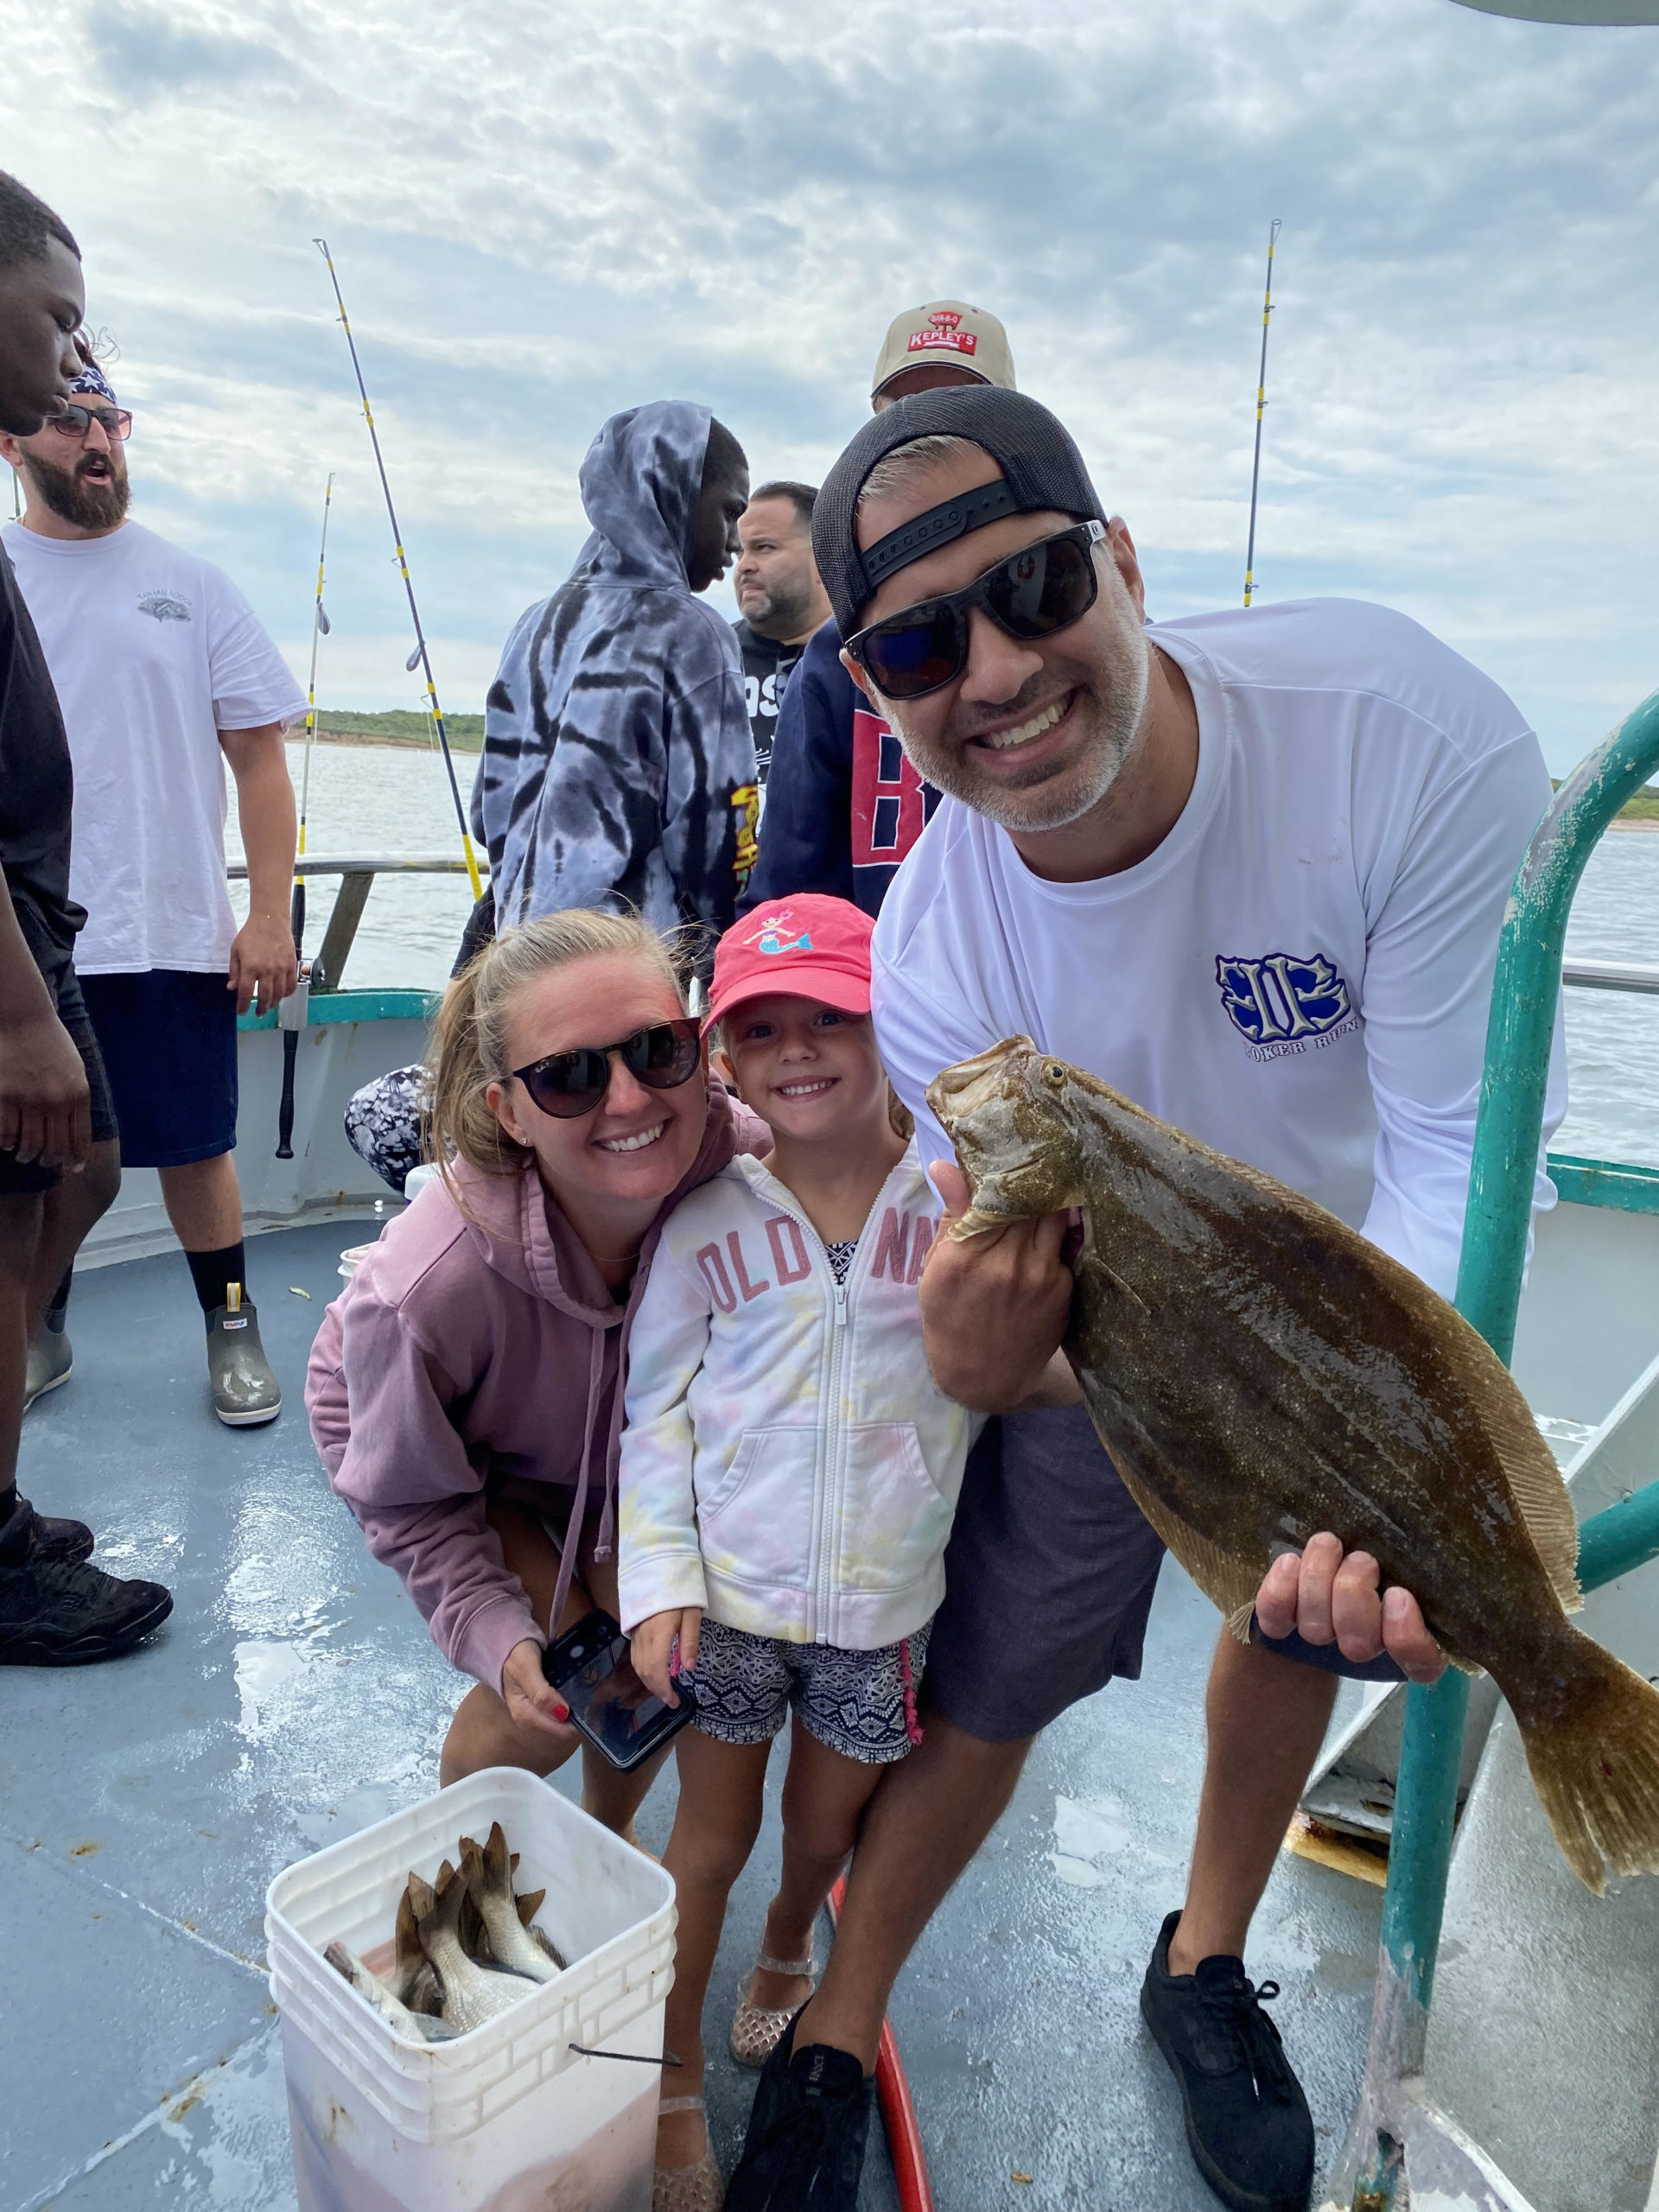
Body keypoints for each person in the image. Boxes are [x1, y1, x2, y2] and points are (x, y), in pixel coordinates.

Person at [722, 386, 1565, 2212]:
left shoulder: (1393, 734)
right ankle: (837, 2024)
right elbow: (981, 1267)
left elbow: (1454, 1154)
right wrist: (973, 1354)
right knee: (1000, 1664)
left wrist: (1391, 1488)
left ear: (1122, 559)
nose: (998, 669)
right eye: (922, 641)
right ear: (871, 689)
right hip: (1114, 1328)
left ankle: (1205, 1953)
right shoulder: (938, 941)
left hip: (1362, 1291)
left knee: (1294, 1624)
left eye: (1031, 585)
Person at [617, 895, 986, 2209]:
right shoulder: (707, 1218)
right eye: (758, 1029)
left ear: (890, 1020)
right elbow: (653, 1410)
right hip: (730, 1608)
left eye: (828, 1015)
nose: (797, 1049)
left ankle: (790, 1951)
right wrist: (659, 1581)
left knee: (822, 1827)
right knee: (702, 1847)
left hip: (882, 1611)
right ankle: (668, 2086)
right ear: (724, 1055)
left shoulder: (958, 1205)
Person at [306, 909, 769, 1831]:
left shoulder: (745, 1165)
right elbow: (408, 1497)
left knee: (651, 1664)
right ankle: (460, 1862)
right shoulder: (427, 1290)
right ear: (507, 1112)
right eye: (569, 1076)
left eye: (657, 1049)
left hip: (612, 1453)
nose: (631, 1100)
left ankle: (607, 1835)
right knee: (555, 1695)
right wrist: (489, 1622)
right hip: (440, 1450)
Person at [0, 358, 304, 1426]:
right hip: (26, 938)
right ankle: (36, 1331)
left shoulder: (193, 581)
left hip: (171, 924)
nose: (96, 437)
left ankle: (232, 1325)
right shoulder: (3, 575)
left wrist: (268, 916)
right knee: (36, 1161)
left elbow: (260, 759)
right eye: (67, 418)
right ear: (11, 442)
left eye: (110, 418)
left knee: (196, 1145)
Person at [0, 168, 172, 1664]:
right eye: (56, 319)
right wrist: (14, 1010)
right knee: (15, 1214)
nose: (73, 356)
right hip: (9, 948)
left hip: (37, 926)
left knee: (80, 1175)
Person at [743, 302, 1014, 918]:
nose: (929, 431)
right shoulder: (832, 661)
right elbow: (790, 898)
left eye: (962, 405)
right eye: (907, 410)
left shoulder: (1084, 617)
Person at [473, 404, 758, 943]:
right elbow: (717, 829)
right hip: (624, 965)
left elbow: (488, 815)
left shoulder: (534, 623)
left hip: (514, 956)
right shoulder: (694, 631)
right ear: (669, 491)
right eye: (727, 512)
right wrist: (724, 936)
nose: (736, 541)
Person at [729, 481, 830, 785]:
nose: (744, 566)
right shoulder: (707, 658)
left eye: (764, 548)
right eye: (739, 553)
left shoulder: (866, 659)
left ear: (823, 556)